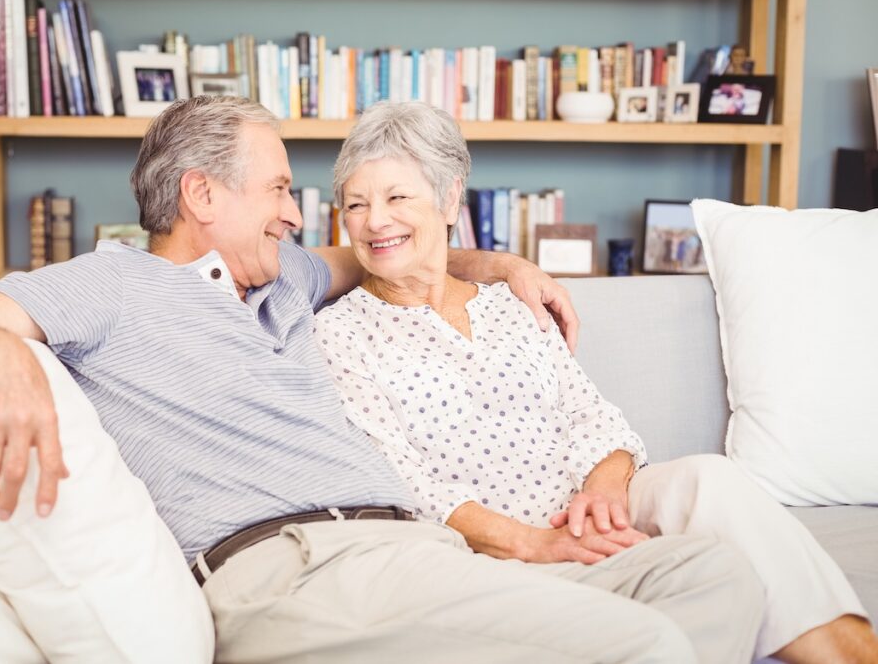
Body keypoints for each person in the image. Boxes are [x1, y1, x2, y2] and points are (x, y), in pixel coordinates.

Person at [0, 96, 763, 664]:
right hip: (295, 571)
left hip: (416, 555)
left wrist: (494, 262)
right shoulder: (112, 282)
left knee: (714, 579)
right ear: (201, 196)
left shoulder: (287, 278)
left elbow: (388, 245)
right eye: (278, 189)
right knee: (645, 645)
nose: (299, 213)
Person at [314, 100, 877, 664]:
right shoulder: (339, 334)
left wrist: (603, 492)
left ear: (450, 198)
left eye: (396, 197)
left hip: (588, 509)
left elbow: (595, 417)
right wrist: (537, 543)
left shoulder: (512, 302)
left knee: (710, 478)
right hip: (480, 546)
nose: (375, 221)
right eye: (356, 204)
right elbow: (403, 484)